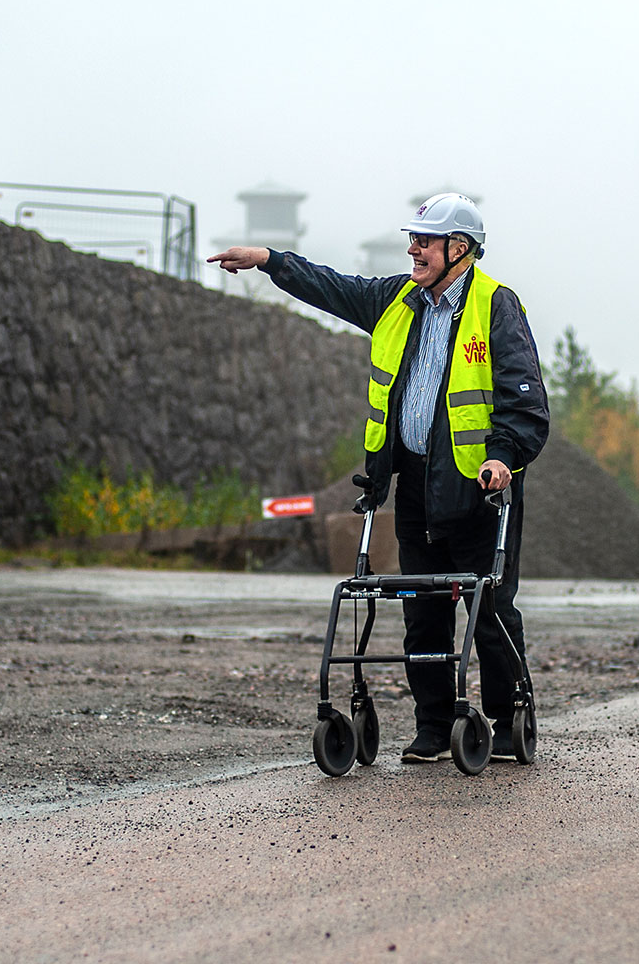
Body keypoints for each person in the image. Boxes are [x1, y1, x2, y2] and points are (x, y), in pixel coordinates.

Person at [209, 194, 549, 763]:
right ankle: (436, 728)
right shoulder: (396, 299)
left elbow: (524, 399)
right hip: (414, 484)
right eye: (413, 239)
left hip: (480, 489)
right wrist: (269, 259)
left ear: (458, 248)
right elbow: (332, 286)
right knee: (421, 609)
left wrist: (502, 455)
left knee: (489, 612)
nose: (413, 249)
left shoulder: (497, 306)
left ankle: (506, 720)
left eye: (425, 240)